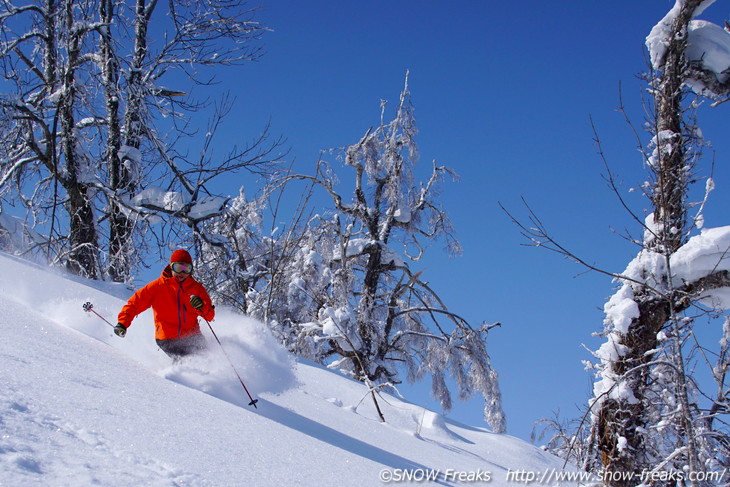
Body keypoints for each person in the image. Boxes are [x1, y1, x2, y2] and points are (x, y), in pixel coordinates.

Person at [114, 249, 215, 360]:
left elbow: (209, 316)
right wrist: (122, 323)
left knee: (209, 358)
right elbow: (135, 303)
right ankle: (177, 375)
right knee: (187, 360)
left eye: (186, 269)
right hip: (167, 338)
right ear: (171, 267)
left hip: (193, 336)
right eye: (178, 267)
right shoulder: (157, 287)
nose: (182, 273)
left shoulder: (197, 289)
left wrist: (201, 307)